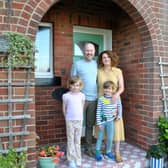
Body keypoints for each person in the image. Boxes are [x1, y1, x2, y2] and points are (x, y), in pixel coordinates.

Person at [97, 50, 125, 162]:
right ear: (101, 60)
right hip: (102, 102)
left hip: (114, 101)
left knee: (116, 126)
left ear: (112, 58)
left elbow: (121, 87)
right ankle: (106, 150)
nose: (106, 59)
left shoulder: (118, 71)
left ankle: (117, 152)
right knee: (103, 126)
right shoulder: (98, 71)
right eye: (104, 57)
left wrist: (116, 94)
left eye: (108, 57)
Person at [71, 42, 97, 157]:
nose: (89, 52)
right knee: (76, 123)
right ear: (83, 51)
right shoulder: (77, 64)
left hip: (94, 99)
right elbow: (72, 81)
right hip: (80, 99)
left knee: (90, 125)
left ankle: (88, 147)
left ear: (94, 52)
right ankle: (73, 148)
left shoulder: (97, 64)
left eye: (91, 50)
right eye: (87, 50)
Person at [62, 76, 85, 168]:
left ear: (80, 86)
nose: (75, 87)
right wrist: (66, 118)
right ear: (70, 86)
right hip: (70, 120)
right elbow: (64, 108)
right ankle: (71, 160)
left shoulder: (82, 96)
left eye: (77, 85)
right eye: (73, 85)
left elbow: (81, 108)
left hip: (79, 120)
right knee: (70, 140)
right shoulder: (66, 96)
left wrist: (80, 117)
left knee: (77, 140)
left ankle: (78, 158)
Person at [95, 80, 120, 161]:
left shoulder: (115, 98)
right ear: (103, 89)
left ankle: (108, 152)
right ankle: (97, 152)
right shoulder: (101, 99)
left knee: (110, 138)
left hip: (110, 121)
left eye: (109, 89)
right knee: (100, 137)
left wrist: (118, 115)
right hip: (102, 120)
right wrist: (99, 123)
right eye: (106, 88)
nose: (107, 90)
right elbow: (99, 111)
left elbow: (118, 107)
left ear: (113, 90)